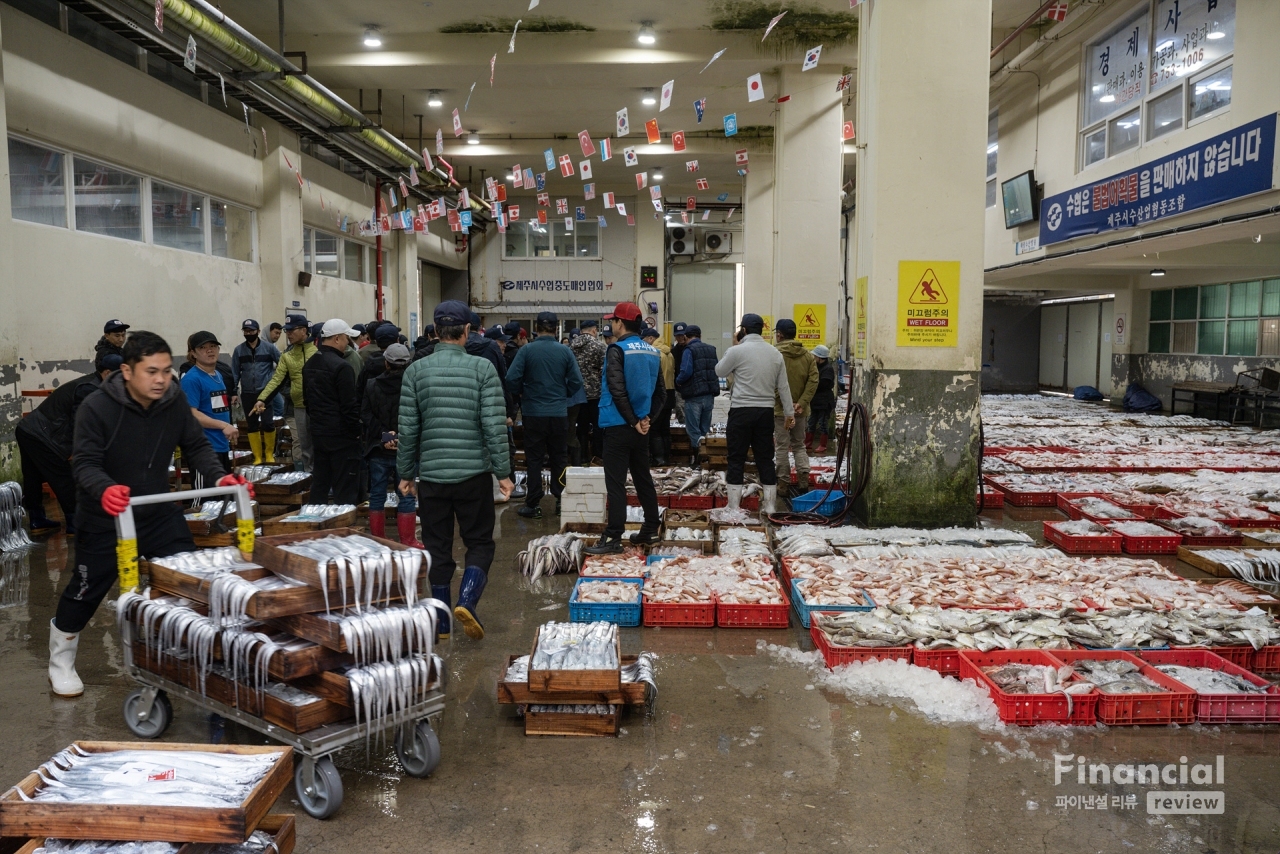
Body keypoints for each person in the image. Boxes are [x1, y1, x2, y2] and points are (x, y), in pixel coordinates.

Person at [50, 331, 249, 697]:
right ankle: (60, 659)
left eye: (165, 370)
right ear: (126, 371)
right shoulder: (96, 407)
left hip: (157, 511)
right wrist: (105, 489)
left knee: (189, 580)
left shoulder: (173, 402)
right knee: (85, 591)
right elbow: (86, 464)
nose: (160, 379)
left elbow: (196, 447)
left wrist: (222, 477)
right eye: (151, 371)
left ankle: (191, 652)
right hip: (105, 516)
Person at [398, 300, 512, 642]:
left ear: (434, 331)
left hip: (432, 478)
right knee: (479, 542)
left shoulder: (415, 371)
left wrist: (405, 473)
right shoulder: (482, 369)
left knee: (437, 545)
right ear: (467, 331)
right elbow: (494, 426)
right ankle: (467, 600)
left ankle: (442, 621)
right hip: (473, 476)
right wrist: (504, 473)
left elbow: (408, 429)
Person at [584, 303, 665, 555]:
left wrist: (632, 420)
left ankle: (613, 537)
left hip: (619, 426)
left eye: (613, 321)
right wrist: (646, 419)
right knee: (642, 478)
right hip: (641, 427)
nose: (611, 325)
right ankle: (651, 528)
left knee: (616, 483)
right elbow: (661, 392)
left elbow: (617, 390)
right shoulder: (652, 351)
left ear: (621, 323)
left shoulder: (616, 349)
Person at [16, 352, 120, 534]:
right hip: (44, 435)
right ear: (108, 373)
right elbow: (80, 423)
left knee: (32, 476)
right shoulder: (90, 389)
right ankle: (76, 523)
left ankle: (37, 519)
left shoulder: (94, 384)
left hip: (29, 429)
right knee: (64, 478)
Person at [507, 311, 584, 519]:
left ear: (537, 328)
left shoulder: (527, 351)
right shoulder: (565, 352)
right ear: (556, 329)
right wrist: (563, 393)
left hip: (533, 413)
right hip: (559, 413)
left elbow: (511, 378)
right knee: (559, 457)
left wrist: (523, 392)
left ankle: (533, 504)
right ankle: (561, 501)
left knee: (534, 459)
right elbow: (577, 381)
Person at [715, 313, 793, 515]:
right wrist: (789, 413)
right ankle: (770, 506)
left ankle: (733, 507)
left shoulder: (737, 350)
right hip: (765, 413)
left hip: (741, 411)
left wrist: (734, 344)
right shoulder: (775, 353)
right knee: (765, 459)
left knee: (736, 458)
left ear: (744, 330)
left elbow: (719, 371)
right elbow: (783, 387)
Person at [361, 343, 422, 546]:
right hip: (407, 450)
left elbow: (366, 416)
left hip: (378, 449)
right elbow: (418, 418)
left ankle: (378, 539)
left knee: (377, 494)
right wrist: (400, 438)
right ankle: (408, 539)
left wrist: (386, 437)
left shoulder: (371, 385)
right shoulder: (414, 386)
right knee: (406, 495)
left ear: (385, 363)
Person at [302, 319, 363, 504]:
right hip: (341, 437)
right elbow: (349, 406)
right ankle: (343, 527)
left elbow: (307, 402)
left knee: (320, 482)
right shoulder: (342, 367)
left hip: (319, 434)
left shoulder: (310, 364)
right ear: (337, 339)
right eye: (346, 338)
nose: (348, 343)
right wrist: (356, 432)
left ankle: (316, 524)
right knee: (344, 486)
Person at [254, 315, 318, 471]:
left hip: (320, 406)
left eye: (292, 330)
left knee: (320, 444)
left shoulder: (317, 351)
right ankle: (309, 477)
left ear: (304, 330)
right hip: (299, 407)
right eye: (286, 331)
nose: (288, 334)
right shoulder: (287, 356)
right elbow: (276, 380)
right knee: (304, 445)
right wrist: (262, 399)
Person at [773, 319, 818, 498]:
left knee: (782, 447)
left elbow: (772, 381)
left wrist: (785, 403)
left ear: (779, 335)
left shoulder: (774, 354)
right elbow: (813, 380)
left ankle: (783, 485)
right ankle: (803, 482)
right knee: (799, 445)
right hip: (800, 411)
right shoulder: (807, 356)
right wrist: (802, 402)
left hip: (780, 411)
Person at [181, 331, 238, 472]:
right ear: (193, 353)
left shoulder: (217, 375)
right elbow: (191, 414)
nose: (209, 350)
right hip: (203, 450)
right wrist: (223, 425)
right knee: (205, 494)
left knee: (223, 493)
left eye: (213, 346)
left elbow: (218, 409)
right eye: (202, 348)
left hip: (221, 447)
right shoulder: (191, 379)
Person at [231, 319, 281, 465]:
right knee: (251, 424)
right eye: (246, 331)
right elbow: (235, 372)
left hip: (265, 393)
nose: (249, 334)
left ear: (258, 332)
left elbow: (282, 365)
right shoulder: (239, 350)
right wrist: (234, 392)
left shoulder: (269, 348)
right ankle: (257, 456)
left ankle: (269, 454)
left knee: (268, 423)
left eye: (251, 331)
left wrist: (275, 384)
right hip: (247, 393)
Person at [675, 324, 720, 465]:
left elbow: (686, 371)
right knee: (704, 428)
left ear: (687, 337)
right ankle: (706, 460)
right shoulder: (711, 349)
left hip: (694, 395)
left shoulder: (689, 350)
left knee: (693, 429)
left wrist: (678, 381)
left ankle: (697, 460)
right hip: (709, 395)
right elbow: (716, 369)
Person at [570, 319, 606, 463]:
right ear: (593, 330)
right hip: (595, 394)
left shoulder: (572, 346)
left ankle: (581, 457)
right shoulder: (599, 346)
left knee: (581, 428)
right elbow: (606, 369)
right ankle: (597, 456)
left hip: (577, 394)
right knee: (598, 427)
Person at [642, 327, 674, 466]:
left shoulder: (654, 353)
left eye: (644, 340)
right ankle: (666, 457)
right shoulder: (669, 353)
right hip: (670, 392)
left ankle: (658, 459)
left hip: (658, 393)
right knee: (665, 429)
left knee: (654, 428)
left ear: (650, 338)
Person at [355, 323, 403, 404]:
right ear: (398, 341)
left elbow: (359, 394)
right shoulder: (404, 364)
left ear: (377, 342)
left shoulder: (367, 365)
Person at [809, 345, 837, 454]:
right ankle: (808, 443)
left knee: (823, 424)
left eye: (815, 356)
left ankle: (823, 445)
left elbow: (824, 384)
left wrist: (811, 385)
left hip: (824, 402)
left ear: (820, 357)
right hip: (815, 401)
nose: (814, 358)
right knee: (811, 422)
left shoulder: (827, 369)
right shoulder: (816, 367)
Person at [670, 321, 690, 423]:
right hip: (679, 388)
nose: (680, 338)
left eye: (682, 335)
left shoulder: (692, 349)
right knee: (680, 411)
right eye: (678, 336)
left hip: (692, 388)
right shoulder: (673, 351)